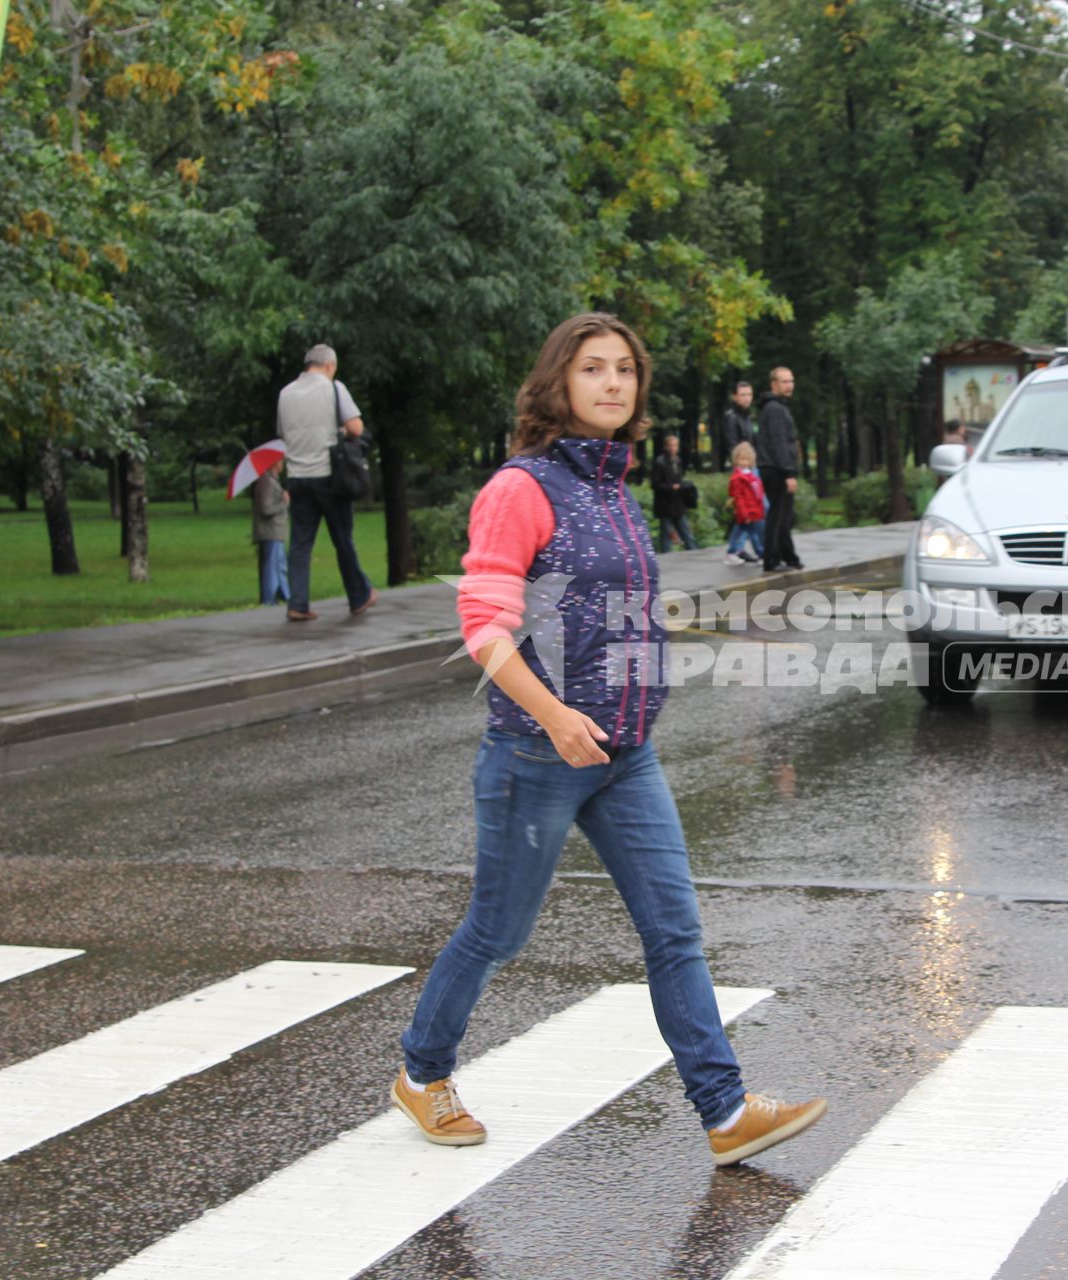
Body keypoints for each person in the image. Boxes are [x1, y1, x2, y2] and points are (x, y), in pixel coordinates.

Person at [393, 311, 826, 1167]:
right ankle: (422, 1072)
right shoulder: (522, 487)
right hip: (535, 753)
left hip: (626, 755)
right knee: (498, 932)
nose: (613, 383)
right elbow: (484, 626)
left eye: (625, 369)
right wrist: (554, 714)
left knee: (674, 930)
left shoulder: (612, 489)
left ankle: (725, 1109)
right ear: (558, 383)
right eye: (593, 369)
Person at [277, 344, 377, 621]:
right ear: (330, 365)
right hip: (330, 478)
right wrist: (340, 429)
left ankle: (297, 603)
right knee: (342, 539)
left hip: (297, 478)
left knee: (299, 543)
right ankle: (359, 596)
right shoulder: (334, 389)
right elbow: (356, 428)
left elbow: (284, 435)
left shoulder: (285, 394)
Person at [755, 366, 803, 572]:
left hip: (775, 468)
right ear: (774, 384)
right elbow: (779, 443)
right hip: (776, 470)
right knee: (778, 516)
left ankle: (788, 557)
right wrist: (788, 473)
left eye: (791, 381)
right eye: (784, 381)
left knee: (784, 516)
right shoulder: (774, 409)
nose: (789, 385)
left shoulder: (777, 407)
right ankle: (772, 559)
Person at [650, 433, 700, 552]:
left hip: (678, 503)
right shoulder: (659, 462)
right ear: (666, 446)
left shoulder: (677, 460)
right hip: (665, 505)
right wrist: (672, 487)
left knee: (686, 532)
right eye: (671, 445)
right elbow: (655, 484)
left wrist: (682, 486)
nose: (673, 448)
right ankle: (666, 559)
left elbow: (679, 479)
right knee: (667, 535)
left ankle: (695, 553)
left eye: (675, 445)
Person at [252, 465, 289, 605]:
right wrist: (284, 502)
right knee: (271, 567)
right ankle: (269, 598)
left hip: (276, 532)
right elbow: (266, 508)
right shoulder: (267, 482)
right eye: (281, 461)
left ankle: (282, 594)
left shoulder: (272, 480)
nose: (282, 464)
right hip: (271, 532)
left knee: (278, 565)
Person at [724, 441, 765, 565]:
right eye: (741, 459)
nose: (744, 462)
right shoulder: (738, 478)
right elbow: (739, 497)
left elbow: (758, 494)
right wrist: (745, 514)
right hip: (745, 513)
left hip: (753, 511)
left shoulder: (751, 475)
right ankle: (733, 553)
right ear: (736, 460)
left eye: (747, 459)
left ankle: (760, 555)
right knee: (744, 534)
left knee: (751, 534)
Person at [718, 381, 756, 470]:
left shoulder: (747, 417)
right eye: (743, 395)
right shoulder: (731, 417)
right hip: (741, 466)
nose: (747, 398)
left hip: (750, 465)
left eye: (749, 394)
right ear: (735, 397)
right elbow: (732, 447)